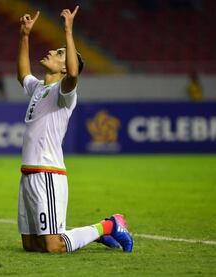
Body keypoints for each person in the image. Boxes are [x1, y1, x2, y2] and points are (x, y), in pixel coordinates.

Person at [16, 6, 133, 253]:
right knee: (31, 245)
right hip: (28, 174)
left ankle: (108, 225)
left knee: (52, 246)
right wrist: (25, 36)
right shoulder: (39, 88)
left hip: (48, 173)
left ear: (64, 67)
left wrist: (68, 31)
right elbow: (23, 74)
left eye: (59, 53)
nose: (50, 51)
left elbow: (72, 73)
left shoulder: (64, 94)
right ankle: (93, 234)